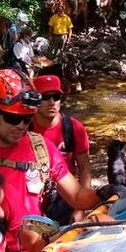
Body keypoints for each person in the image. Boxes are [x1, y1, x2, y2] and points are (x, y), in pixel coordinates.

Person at [0, 68, 113, 252]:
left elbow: (76, 196)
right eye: (13, 118)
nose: (21, 126)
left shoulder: (40, 147)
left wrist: (105, 193)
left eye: (26, 119)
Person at [31, 74, 92, 224]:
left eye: (56, 96)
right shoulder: (23, 128)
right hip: (33, 194)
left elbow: (85, 169)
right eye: (45, 97)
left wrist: (80, 208)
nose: (51, 102)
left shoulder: (74, 128)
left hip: (65, 196)